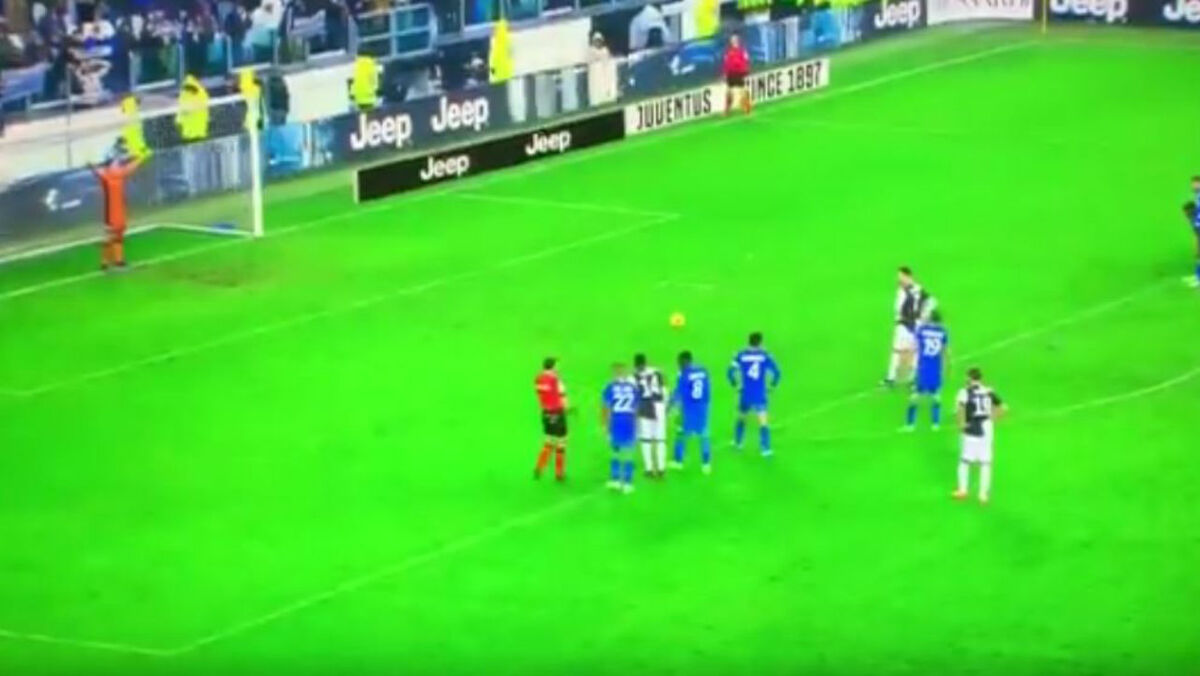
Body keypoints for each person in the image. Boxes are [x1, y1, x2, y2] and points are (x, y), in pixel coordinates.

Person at [954, 368, 1006, 504]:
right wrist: (993, 419)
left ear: (969, 378)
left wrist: (961, 425)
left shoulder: (964, 392)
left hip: (972, 427)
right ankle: (983, 495)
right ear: (980, 379)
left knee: (965, 460)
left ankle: (962, 490)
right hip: (987, 427)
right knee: (985, 462)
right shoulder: (989, 391)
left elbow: (960, 410)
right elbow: (1003, 408)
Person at [88, 147, 145, 271]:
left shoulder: (116, 173)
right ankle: (108, 262)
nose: (118, 164)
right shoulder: (108, 174)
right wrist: (140, 157)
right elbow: (130, 166)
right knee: (112, 236)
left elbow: (131, 167)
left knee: (118, 235)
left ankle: (115, 261)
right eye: (116, 162)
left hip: (119, 210)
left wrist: (140, 157)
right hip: (111, 212)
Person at [728, 332, 780, 457]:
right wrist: (772, 386)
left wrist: (736, 385)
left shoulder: (741, 355)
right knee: (763, 422)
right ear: (760, 343)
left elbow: (729, 372)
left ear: (749, 341)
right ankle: (765, 449)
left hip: (745, 393)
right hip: (759, 393)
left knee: (742, 418)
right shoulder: (765, 356)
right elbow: (777, 373)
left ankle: (738, 442)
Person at [884, 266, 936, 387]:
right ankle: (892, 378)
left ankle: (911, 378)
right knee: (898, 351)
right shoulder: (902, 290)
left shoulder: (915, 290)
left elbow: (931, 302)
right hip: (903, 323)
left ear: (908, 276)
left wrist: (924, 316)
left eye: (901, 276)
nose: (899, 279)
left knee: (912, 352)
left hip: (911, 324)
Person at [904, 311, 949, 431]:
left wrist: (909, 365)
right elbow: (945, 352)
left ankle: (910, 424)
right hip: (936, 368)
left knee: (914, 396)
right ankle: (935, 424)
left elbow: (914, 347)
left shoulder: (922, 330)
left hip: (923, 368)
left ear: (930, 319)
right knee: (936, 396)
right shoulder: (942, 332)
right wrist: (947, 367)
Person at [670, 350, 712, 473]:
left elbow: (678, 393)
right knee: (704, 436)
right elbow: (707, 389)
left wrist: (670, 406)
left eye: (680, 362)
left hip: (688, 409)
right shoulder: (703, 371)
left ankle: (678, 461)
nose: (679, 365)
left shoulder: (684, 374)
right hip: (702, 408)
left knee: (681, 434)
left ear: (685, 361)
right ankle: (706, 464)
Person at [602, 363, 640, 494]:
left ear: (615, 373)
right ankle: (628, 482)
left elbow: (606, 408)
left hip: (616, 422)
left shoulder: (610, 388)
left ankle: (615, 479)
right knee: (629, 452)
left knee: (615, 450)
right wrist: (637, 425)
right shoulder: (633, 388)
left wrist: (605, 426)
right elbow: (637, 409)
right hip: (629, 422)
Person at [533, 357, 569, 481]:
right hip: (558, 413)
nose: (558, 368)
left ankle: (539, 467)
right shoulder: (556, 380)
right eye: (557, 365)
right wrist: (568, 408)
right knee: (561, 443)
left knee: (548, 441)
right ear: (553, 367)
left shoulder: (538, 379)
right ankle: (559, 473)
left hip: (546, 413)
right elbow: (563, 398)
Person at [633, 353, 668, 478]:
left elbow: (634, 396)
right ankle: (661, 468)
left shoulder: (634, 377)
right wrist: (666, 406)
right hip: (659, 405)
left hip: (646, 407)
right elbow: (664, 389)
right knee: (660, 440)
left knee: (646, 440)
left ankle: (648, 469)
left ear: (636, 364)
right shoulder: (657, 372)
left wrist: (635, 412)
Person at [722, 34, 750, 115]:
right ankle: (727, 110)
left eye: (735, 40)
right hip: (731, 74)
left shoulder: (742, 51)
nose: (734, 42)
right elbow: (726, 63)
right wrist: (725, 74)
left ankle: (747, 108)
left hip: (739, 73)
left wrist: (746, 70)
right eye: (732, 40)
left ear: (738, 41)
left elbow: (746, 61)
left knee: (743, 91)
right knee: (729, 92)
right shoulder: (728, 52)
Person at [1185, 176, 1199, 289]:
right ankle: (1197, 275)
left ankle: (1198, 278)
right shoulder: (1197, 195)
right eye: (1193, 184)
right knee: (1197, 252)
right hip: (1197, 226)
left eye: (1196, 184)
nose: (1193, 186)